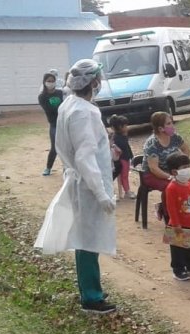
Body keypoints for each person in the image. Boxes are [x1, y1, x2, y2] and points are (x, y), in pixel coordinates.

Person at [35, 59, 117, 314]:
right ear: (93, 82)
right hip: (88, 186)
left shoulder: (70, 104)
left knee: (86, 239)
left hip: (81, 182)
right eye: (98, 79)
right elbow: (84, 156)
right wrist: (101, 193)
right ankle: (91, 297)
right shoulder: (84, 111)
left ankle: (90, 289)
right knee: (88, 241)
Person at [142, 111, 190, 220]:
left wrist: (182, 164)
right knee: (169, 186)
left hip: (170, 170)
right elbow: (154, 168)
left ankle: (182, 210)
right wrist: (171, 177)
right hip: (151, 174)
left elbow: (186, 149)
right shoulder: (152, 144)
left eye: (171, 122)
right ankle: (168, 215)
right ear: (160, 128)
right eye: (169, 124)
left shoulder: (175, 137)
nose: (172, 126)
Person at [165, 152, 190, 281]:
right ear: (174, 171)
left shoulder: (188, 184)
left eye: (188, 166)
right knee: (178, 250)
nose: (187, 169)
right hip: (178, 225)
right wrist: (176, 224)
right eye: (184, 167)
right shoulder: (171, 188)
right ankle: (178, 270)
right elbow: (171, 208)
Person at [38, 71, 64, 176]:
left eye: (53, 81)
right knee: (55, 147)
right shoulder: (42, 97)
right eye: (49, 81)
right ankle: (48, 168)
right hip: (54, 124)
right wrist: (60, 109)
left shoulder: (60, 93)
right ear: (44, 82)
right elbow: (49, 110)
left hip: (64, 122)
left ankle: (67, 167)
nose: (51, 83)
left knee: (67, 146)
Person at [109, 114, 135, 200]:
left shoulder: (122, 136)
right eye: (125, 126)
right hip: (121, 160)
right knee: (124, 176)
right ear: (120, 127)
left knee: (125, 175)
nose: (127, 127)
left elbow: (127, 147)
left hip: (125, 159)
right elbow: (123, 147)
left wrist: (131, 157)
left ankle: (126, 191)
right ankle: (127, 191)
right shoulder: (117, 138)